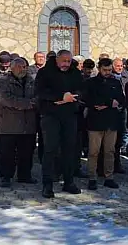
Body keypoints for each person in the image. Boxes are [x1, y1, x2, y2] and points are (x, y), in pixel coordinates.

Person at [36, 50, 84, 198]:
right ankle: (47, 184)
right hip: (50, 115)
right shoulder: (45, 72)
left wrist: (74, 97)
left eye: (69, 61)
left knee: (69, 149)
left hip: (69, 115)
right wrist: (60, 97)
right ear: (57, 60)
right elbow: (40, 92)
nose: (66, 64)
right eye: (64, 61)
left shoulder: (75, 73)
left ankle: (69, 181)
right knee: (50, 150)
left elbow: (82, 89)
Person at [83, 58, 125, 190]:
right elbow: (90, 99)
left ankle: (109, 176)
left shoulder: (115, 82)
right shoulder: (91, 83)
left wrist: (112, 105)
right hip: (95, 122)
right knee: (93, 152)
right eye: (104, 70)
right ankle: (92, 177)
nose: (107, 72)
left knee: (110, 151)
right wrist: (108, 103)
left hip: (111, 122)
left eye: (109, 70)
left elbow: (121, 100)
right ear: (99, 68)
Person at [0, 58, 37, 187]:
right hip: (8, 124)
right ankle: (6, 176)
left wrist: (29, 104)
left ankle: (24, 175)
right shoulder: (2, 82)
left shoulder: (32, 82)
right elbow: (6, 100)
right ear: (12, 68)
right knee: (7, 153)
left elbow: (38, 97)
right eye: (19, 67)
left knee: (26, 152)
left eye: (24, 66)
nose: (22, 69)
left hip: (28, 123)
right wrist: (27, 104)